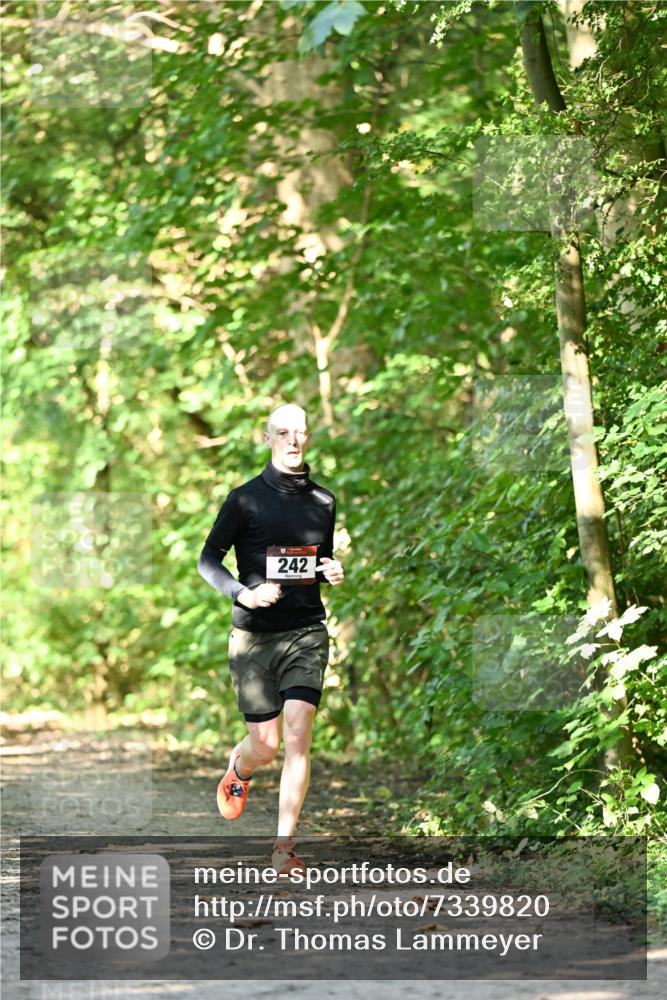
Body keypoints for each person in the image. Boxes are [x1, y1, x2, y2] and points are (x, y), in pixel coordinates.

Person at [197, 403, 344, 875]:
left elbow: (316, 561)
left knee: (299, 733)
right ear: (268, 439)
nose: (293, 440)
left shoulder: (323, 501)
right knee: (266, 746)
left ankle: (284, 847)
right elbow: (207, 561)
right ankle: (241, 766)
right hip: (254, 637)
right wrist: (244, 593)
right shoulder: (244, 500)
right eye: (283, 432)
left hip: (306, 631)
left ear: (309, 437)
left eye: (300, 432)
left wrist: (330, 570)